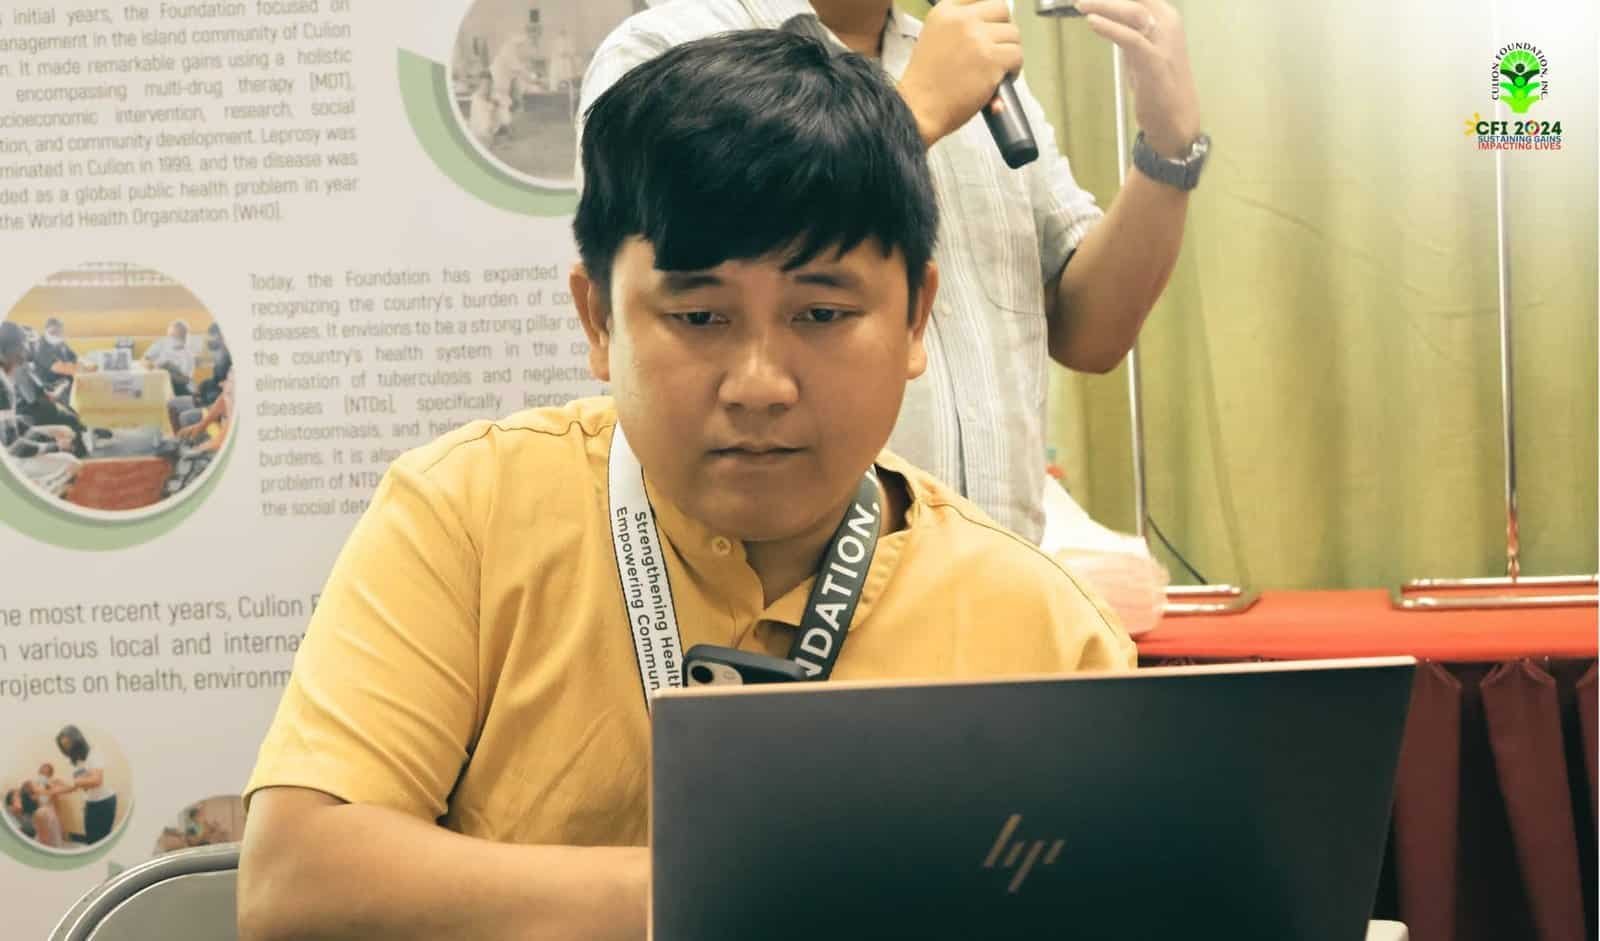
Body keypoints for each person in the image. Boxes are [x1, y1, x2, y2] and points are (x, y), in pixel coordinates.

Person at [237, 31, 1133, 941]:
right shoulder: (468, 514)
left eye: (822, 313)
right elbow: (294, 882)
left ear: (914, 320)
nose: (760, 383)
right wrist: (737, 887)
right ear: (599, 321)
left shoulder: (1043, 630)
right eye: (700, 316)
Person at [579, 0, 1206, 545]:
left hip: (993, 578)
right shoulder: (667, 45)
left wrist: (1168, 149)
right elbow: (727, 255)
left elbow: (1093, 337)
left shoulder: (971, 61)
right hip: (781, 592)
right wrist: (911, 116)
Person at [56, 724, 117, 844]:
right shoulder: (75, 761)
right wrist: (54, 789)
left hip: (105, 801)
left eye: (68, 743)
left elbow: (97, 780)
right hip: (90, 802)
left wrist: (75, 782)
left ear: (77, 739)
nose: (68, 748)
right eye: (64, 746)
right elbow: (76, 786)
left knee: (100, 842)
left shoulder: (93, 754)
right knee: (91, 840)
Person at [32, 316, 95, 401]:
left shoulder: (60, 343)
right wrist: (86, 369)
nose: (56, 334)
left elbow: (75, 358)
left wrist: (89, 364)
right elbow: (62, 368)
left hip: (66, 383)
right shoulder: (41, 348)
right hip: (52, 388)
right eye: (53, 332)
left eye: (59, 332)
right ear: (46, 330)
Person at [142, 319, 195, 397]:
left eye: (180, 335)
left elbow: (186, 380)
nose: (174, 338)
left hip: (176, 387)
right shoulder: (161, 343)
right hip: (156, 381)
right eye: (172, 335)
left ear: (186, 336)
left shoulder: (188, 355)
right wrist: (153, 366)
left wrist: (168, 373)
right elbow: (144, 359)